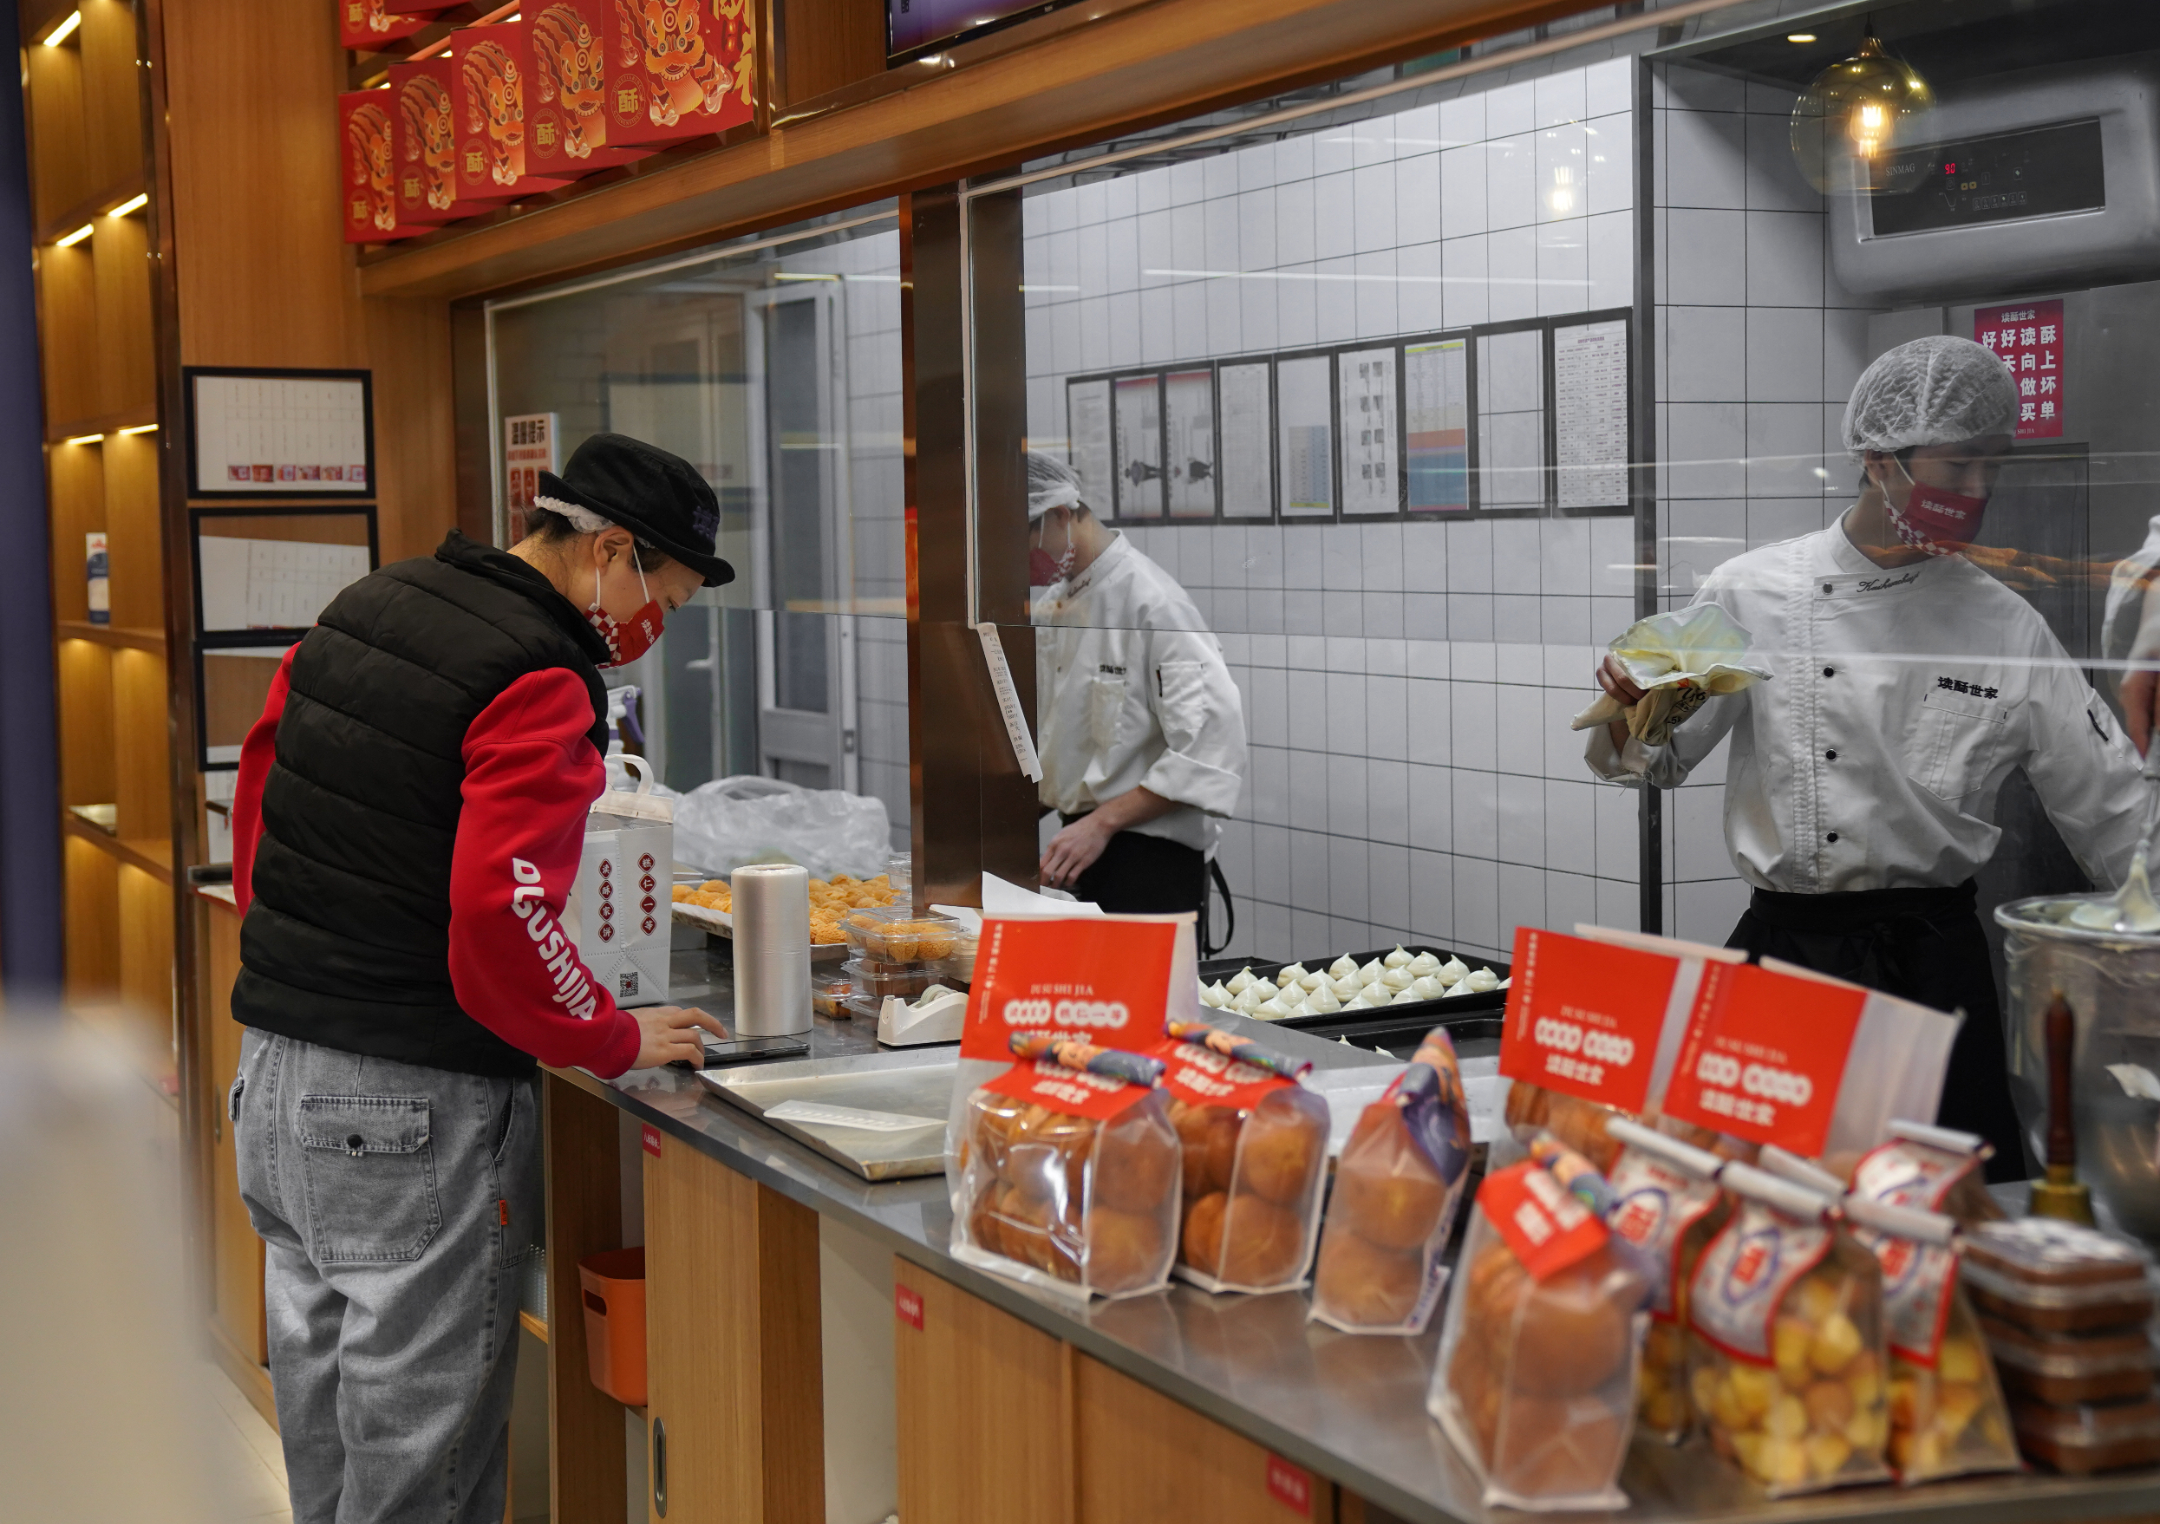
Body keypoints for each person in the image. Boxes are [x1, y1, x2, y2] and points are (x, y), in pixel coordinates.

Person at [226, 433, 733, 1523]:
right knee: (420, 1459)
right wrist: (609, 1035)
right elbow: (505, 910)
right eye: (666, 599)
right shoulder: (539, 675)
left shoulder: (366, 605)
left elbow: (260, 789)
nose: (656, 625)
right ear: (611, 551)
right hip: (408, 1107)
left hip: (271, 1074)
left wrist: (299, 960)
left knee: (324, 1427)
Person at [1584, 336, 2148, 1176]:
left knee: (1950, 1216)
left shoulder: (2005, 625)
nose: (1979, 490)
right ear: (1879, 461)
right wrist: (1632, 706)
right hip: (1787, 963)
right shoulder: (1751, 594)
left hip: (1934, 974)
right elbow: (1646, 761)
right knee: (1754, 1207)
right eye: (1958, 465)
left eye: (1993, 465)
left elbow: (2114, 809)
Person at [1029, 451, 1249, 930]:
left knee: (1145, 983)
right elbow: (1065, 737)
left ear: (1060, 515)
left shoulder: (1153, 604)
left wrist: (1102, 822)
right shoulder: (1055, 605)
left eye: (1020, 545)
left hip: (1151, 856)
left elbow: (1209, 748)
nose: (1018, 566)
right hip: (1082, 843)